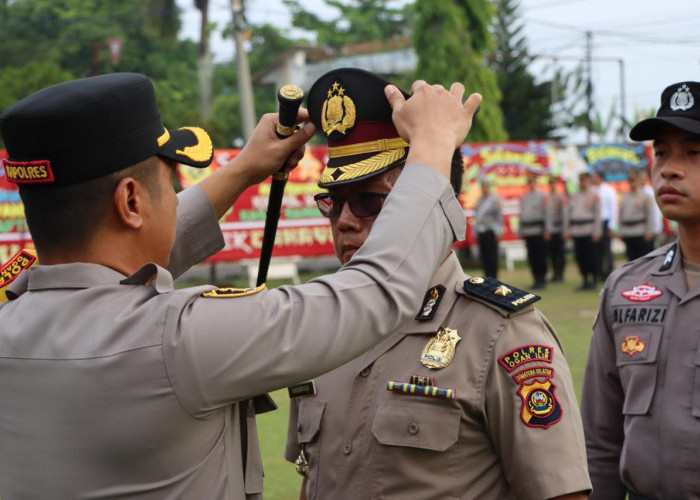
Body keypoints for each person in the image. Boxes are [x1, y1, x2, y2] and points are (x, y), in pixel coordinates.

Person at [0, 72, 481, 498]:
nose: (177, 201)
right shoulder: (179, 339)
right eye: (171, 188)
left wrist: (245, 169)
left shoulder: (9, 319)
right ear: (131, 201)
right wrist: (432, 150)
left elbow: (112, 263)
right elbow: (375, 291)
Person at [285, 68, 591, 500]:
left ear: (435, 203)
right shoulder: (323, 326)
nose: (346, 222)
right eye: (333, 203)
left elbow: (561, 493)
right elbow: (311, 478)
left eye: (369, 201)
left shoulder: (500, 331)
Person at [582, 80, 700, 499]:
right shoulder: (627, 287)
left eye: (694, 153)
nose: (669, 168)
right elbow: (600, 443)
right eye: (662, 152)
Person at [568, 172, 601, 290]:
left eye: (586, 180)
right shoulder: (575, 196)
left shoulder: (593, 196)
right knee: (580, 257)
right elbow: (570, 214)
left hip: (589, 230)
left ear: (589, 181)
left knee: (591, 257)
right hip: (577, 231)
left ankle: (594, 280)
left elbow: (598, 215)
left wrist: (597, 232)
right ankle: (585, 280)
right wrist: (569, 230)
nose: (583, 183)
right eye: (581, 181)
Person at [519, 172, 551, 289]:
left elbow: (547, 214)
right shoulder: (525, 197)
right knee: (532, 257)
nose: (531, 184)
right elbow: (522, 214)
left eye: (532, 182)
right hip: (528, 231)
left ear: (535, 183)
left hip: (539, 230)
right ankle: (535, 278)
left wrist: (547, 230)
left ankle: (542, 279)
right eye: (529, 182)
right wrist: (520, 230)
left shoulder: (542, 196)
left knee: (540, 256)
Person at [617, 170, 656, 261]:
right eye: (630, 181)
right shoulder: (625, 196)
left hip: (640, 231)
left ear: (638, 181)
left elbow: (649, 215)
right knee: (631, 258)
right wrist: (620, 231)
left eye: (634, 181)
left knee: (642, 258)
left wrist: (649, 232)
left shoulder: (645, 196)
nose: (632, 183)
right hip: (628, 232)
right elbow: (621, 215)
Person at [591, 171, 618, 279]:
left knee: (607, 249)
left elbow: (613, 208)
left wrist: (612, 226)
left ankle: (609, 272)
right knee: (596, 249)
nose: (594, 179)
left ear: (601, 178)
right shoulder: (592, 190)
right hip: (595, 222)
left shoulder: (608, 190)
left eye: (595, 177)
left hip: (605, 222)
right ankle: (598, 271)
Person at [474, 176, 502, 278]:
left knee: (492, 257)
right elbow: (477, 218)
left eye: (486, 186)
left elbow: (499, 217)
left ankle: (494, 278)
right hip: (482, 232)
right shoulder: (479, 201)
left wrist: (498, 232)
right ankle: (487, 278)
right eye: (483, 186)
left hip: (491, 232)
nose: (484, 188)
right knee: (484, 257)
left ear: (489, 187)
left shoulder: (494, 200)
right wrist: (476, 232)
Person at [547, 176, 569, 282]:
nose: (552, 185)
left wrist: (565, 231)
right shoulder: (547, 198)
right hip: (551, 230)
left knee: (560, 253)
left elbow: (565, 215)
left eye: (553, 183)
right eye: (550, 183)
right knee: (552, 253)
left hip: (559, 228)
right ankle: (555, 273)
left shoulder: (561, 197)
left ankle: (560, 273)